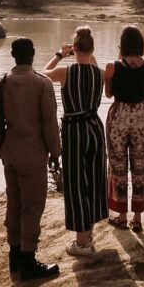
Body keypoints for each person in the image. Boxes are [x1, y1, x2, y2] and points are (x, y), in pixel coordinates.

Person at [0, 38, 62, 280]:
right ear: (33, 54)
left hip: (10, 153)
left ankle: (14, 256)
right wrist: (55, 152)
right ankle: (28, 260)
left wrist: (0, 149)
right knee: (32, 207)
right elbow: (49, 122)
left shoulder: (2, 83)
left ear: (13, 55)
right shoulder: (42, 83)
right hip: (33, 155)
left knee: (14, 202)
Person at [43, 26, 107, 256]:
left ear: (75, 48)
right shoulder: (100, 72)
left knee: (77, 182)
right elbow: (91, 62)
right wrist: (86, 55)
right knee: (93, 177)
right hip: (95, 128)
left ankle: (82, 244)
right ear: (92, 49)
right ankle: (87, 235)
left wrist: (60, 54)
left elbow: (41, 73)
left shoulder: (65, 72)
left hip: (75, 129)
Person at [103, 25, 144, 232]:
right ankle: (138, 218)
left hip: (119, 118)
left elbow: (108, 94)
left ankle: (122, 216)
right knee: (139, 165)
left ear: (122, 45)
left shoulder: (112, 66)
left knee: (118, 165)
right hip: (141, 118)